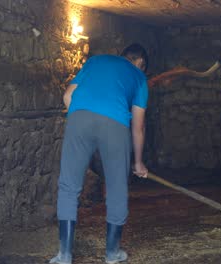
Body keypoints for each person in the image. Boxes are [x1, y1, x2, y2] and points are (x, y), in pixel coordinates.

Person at [49, 43, 150, 264]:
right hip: (115, 123)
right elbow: (138, 126)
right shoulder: (139, 78)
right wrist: (138, 163)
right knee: (116, 187)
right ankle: (112, 253)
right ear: (140, 64)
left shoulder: (95, 61)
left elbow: (68, 96)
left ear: (122, 55)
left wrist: (82, 121)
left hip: (79, 117)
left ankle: (64, 255)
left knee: (68, 185)